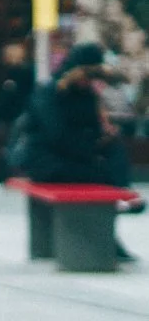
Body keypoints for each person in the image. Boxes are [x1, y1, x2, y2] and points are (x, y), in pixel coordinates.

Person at [16, 42, 141, 260]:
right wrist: (91, 147)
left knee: (114, 152)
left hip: (71, 157)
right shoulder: (50, 94)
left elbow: (89, 131)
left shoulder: (86, 96)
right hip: (46, 162)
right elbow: (58, 137)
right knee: (101, 175)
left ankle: (124, 195)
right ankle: (104, 235)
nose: (88, 82)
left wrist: (102, 138)